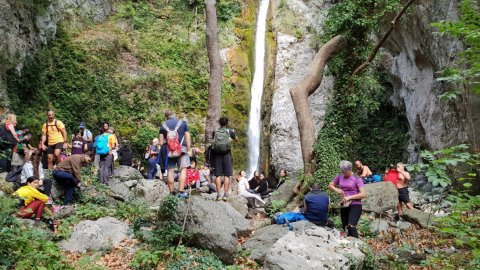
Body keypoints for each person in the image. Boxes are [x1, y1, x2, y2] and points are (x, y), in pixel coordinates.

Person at [328, 160, 367, 238]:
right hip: (344, 205)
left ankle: (357, 244)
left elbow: (363, 194)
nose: (343, 173)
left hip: (355, 205)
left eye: (344, 171)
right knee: (345, 227)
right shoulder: (340, 176)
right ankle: (350, 245)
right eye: (342, 171)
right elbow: (330, 185)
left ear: (349, 170)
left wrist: (350, 197)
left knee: (351, 226)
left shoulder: (357, 178)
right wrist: (337, 190)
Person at [159, 110, 192, 198]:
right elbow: (187, 137)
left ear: (166, 116)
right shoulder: (182, 123)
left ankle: (172, 192)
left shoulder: (163, 126)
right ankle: (180, 192)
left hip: (170, 151)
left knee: (170, 170)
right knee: (183, 170)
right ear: (174, 114)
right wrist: (189, 150)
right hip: (182, 150)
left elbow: (161, 143)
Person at [211, 117, 238, 201]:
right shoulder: (230, 131)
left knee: (218, 175)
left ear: (220, 123)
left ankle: (218, 194)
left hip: (217, 155)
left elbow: (214, 142)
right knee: (227, 175)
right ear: (227, 123)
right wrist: (234, 135)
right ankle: (225, 195)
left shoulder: (215, 132)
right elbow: (237, 140)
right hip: (226, 154)